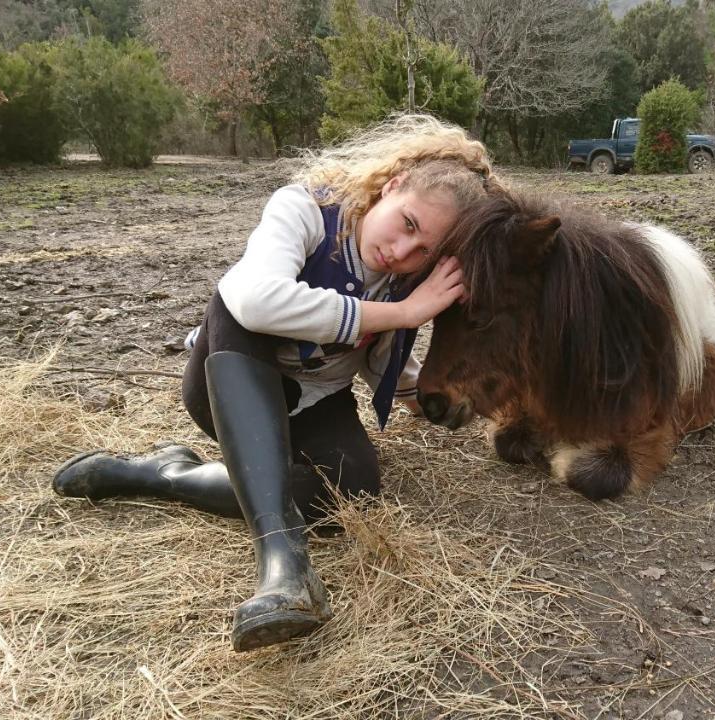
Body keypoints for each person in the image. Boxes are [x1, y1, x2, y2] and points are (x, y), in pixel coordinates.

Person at [52, 115, 501, 652]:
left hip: (312, 397)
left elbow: (381, 359)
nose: (402, 252)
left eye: (423, 249)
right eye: (406, 224)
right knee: (240, 300)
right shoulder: (307, 208)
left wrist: (423, 397)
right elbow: (255, 300)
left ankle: (162, 475)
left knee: (352, 490)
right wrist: (402, 312)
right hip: (232, 377)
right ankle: (284, 566)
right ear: (393, 184)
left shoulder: (403, 279)